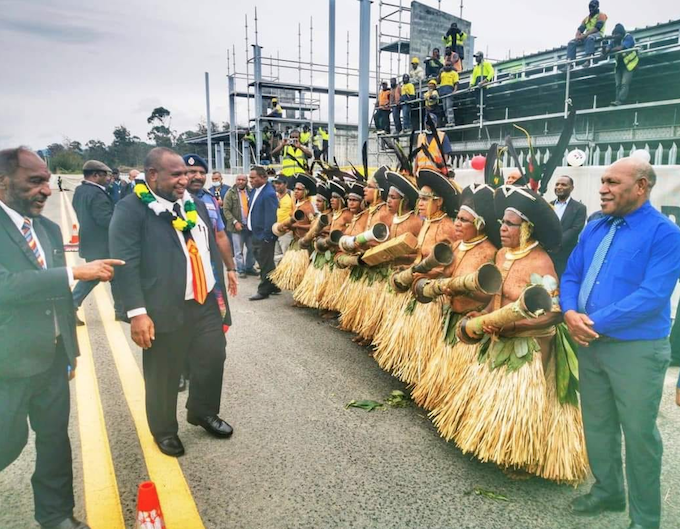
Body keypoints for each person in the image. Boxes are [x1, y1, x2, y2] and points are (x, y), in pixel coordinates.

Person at [1, 146, 122, 529]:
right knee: (7, 443)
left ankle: (55, 516)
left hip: (52, 359)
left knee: (54, 442)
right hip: (8, 363)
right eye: (34, 181)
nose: (46, 190)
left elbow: (57, 302)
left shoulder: (48, 229)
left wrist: (70, 351)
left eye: (46, 181)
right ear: (3, 183)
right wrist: (75, 273)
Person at [561, 157, 680, 529]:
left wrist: (589, 322)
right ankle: (608, 491)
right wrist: (568, 312)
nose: (602, 188)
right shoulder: (595, 228)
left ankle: (645, 519)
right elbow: (572, 273)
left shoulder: (665, 234)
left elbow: (652, 296)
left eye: (613, 182)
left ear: (641, 187)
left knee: (639, 435)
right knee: (598, 424)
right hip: (591, 345)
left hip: (636, 351)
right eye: (602, 181)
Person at [109, 147, 234, 457]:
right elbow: (124, 265)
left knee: (212, 357)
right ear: (153, 175)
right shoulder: (132, 210)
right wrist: (137, 313)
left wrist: (222, 291)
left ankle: (201, 411)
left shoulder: (196, 204)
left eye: (187, 173)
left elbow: (206, 252)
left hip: (204, 301)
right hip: (164, 305)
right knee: (164, 371)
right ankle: (164, 430)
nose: (185, 179)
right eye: (176, 174)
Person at [71, 160, 125, 323]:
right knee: (93, 278)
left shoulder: (80, 190)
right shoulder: (97, 193)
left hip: (91, 242)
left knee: (116, 276)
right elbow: (105, 220)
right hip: (102, 244)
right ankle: (70, 305)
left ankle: (121, 311)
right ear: (95, 175)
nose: (109, 178)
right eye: (105, 175)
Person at [246, 165, 280, 301]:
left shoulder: (269, 193)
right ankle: (273, 284)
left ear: (264, 177)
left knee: (264, 262)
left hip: (264, 236)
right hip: (255, 233)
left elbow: (271, 217)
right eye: (250, 178)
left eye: (253, 178)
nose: (250, 180)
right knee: (265, 260)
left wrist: (267, 237)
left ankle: (263, 290)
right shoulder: (255, 191)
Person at [549, 175, 587, 277]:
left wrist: (557, 243)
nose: (559, 187)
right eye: (557, 184)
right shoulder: (548, 205)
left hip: (566, 253)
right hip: (548, 252)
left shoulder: (579, 208)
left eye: (563, 184)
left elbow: (576, 229)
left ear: (572, 188)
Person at [223, 174, 257, 278]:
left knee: (252, 248)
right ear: (236, 180)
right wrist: (235, 222)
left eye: (243, 180)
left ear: (246, 181)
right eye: (239, 179)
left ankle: (249, 267)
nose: (241, 182)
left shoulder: (252, 192)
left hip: (250, 227)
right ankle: (241, 269)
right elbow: (226, 210)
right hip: (236, 227)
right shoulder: (230, 193)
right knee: (238, 251)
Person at [603, 23, 638, 106]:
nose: (615, 36)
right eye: (614, 35)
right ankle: (617, 100)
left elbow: (621, 48)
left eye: (616, 35)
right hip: (619, 65)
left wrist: (610, 50)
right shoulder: (615, 40)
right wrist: (606, 49)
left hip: (629, 64)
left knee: (624, 83)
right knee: (618, 84)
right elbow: (608, 47)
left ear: (621, 34)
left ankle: (620, 100)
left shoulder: (628, 37)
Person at [273, 175, 294, 264]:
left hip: (287, 231)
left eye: (279, 183)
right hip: (276, 230)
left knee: (287, 256)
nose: (277, 185)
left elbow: (294, 213)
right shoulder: (275, 196)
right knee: (277, 256)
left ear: (285, 184)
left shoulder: (291, 196)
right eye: (275, 183)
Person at [436, 60, 459, 126]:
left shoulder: (454, 73)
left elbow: (456, 83)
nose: (447, 67)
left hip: (449, 91)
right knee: (445, 108)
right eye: (446, 65)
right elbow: (438, 81)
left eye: (449, 65)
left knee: (449, 107)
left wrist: (455, 91)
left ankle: (451, 122)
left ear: (451, 66)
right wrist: (440, 73)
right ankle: (448, 121)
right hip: (443, 92)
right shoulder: (442, 73)